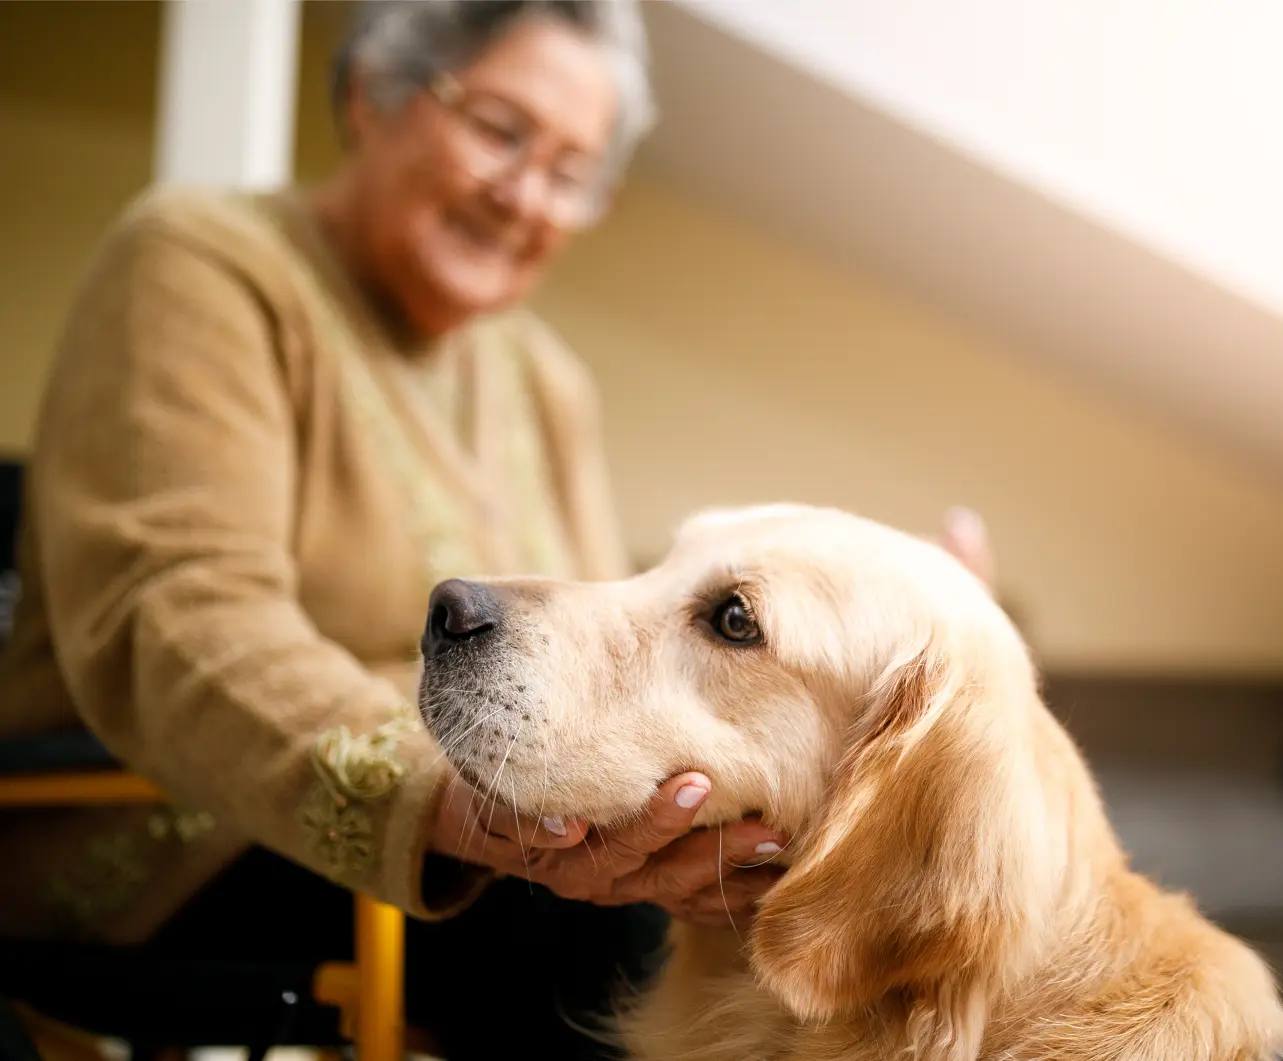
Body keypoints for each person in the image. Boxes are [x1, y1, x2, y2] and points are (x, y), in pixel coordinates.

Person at [0, 1, 994, 1056]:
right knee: (602, 943)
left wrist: (888, 628)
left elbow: (613, 664)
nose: (524, 194)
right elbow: (179, 621)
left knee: (795, 906)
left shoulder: (541, 376)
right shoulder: (199, 263)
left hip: (509, 832)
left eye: (571, 170)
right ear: (370, 96)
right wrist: (450, 801)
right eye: (499, 129)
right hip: (182, 833)